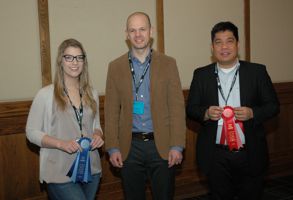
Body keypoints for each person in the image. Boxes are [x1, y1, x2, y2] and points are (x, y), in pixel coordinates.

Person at [186, 21, 279, 200]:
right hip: (216, 155)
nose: (224, 47)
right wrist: (205, 113)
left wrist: (253, 113)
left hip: (249, 152)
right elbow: (191, 109)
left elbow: (273, 106)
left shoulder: (257, 72)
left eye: (229, 41)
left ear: (237, 44)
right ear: (212, 47)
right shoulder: (201, 75)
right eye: (218, 42)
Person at [104, 12, 186, 200]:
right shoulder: (115, 66)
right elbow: (111, 111)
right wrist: (113, 147)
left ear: (151, 31)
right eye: (132, 30)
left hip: (163, 146)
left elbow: (176, 107)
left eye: (142, 29)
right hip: (129, 148)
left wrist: (177, 145)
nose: (138, 34)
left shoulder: (168, 63)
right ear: (126, 34)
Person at [26, 38, 104, 200]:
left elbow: (96, 125)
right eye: (69, 57)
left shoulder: (92, 93)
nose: (74, 62)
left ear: (84, 61)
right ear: (60, 61)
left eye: (79, 57)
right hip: (58, 171)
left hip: (91, 168)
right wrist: (61, 144)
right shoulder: (45, 95)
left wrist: (98, 135)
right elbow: (31, 132)